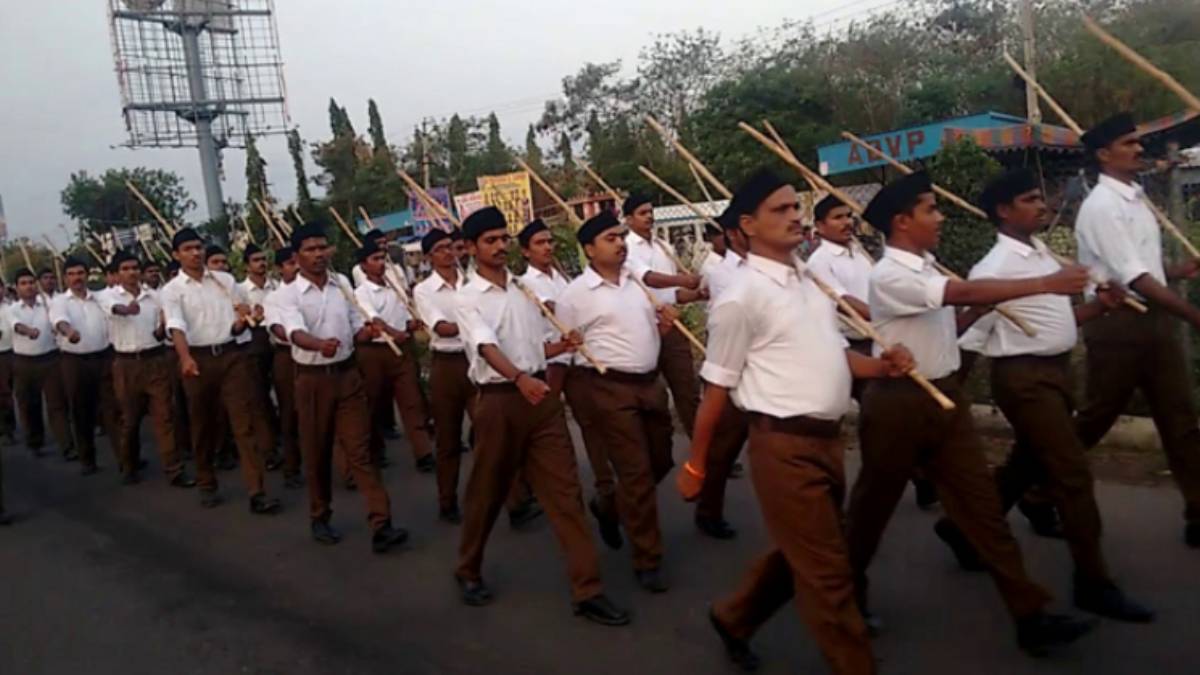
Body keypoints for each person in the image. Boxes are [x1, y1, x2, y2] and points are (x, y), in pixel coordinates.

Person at [843, 170, 1096, 655]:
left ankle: (1030, 616)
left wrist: (978, 313)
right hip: (897, 404)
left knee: (983, 509)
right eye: (930, 209)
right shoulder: (889, 274)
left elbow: (950, 324)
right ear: (901, 222)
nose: (940, 217)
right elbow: (960, 294)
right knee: (870, 511)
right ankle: (845, 591)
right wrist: (1045, 283)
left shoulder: (927, 266)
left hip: (944, 397)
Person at [680, 168, 916, 674]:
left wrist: (881, 367)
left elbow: (833, 352)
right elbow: (716, 389)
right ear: (747, 224)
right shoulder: (740, 297)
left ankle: (735, 617)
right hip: (782, 447)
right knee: (829, 574)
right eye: (780, 209)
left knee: (805, 549)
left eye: (795, 207)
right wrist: (697, 465)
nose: (795, 216)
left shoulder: (807, 280)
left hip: (827, 441)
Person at [931, 168, 1155, 623]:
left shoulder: (1042, 256)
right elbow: (969, 337)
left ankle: (960, 529)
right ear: (1003, 211)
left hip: (1054, 373)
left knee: (1025, 465)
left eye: (1040, 198)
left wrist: (1099, 306)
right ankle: (1093, 583)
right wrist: (948, 394)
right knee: (1072, 475)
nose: (1042, 205)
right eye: (1030, 199)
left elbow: (1059, 320)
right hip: (1023, 380)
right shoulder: (993, 269)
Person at [452, 206, 627, 625]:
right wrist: (518, 379)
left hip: (541, 399)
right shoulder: (467, 297)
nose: (500, 246)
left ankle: (588, 589)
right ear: (472, 248)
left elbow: (533, 346)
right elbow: (487, 347)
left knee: (565, 493)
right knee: (487, 491)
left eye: (503, 238)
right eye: (490, 241)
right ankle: (468, 567)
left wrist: (561, 346)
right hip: (500, 400)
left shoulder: (522, 290)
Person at [1072, 112, 1200, 548]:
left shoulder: (1135, 198)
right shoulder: (1101, 207)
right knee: (1094, 419)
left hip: (1153, 321)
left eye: (1137, 141)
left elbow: (1143, 265)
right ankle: (1034, 487)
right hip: (1118, 324)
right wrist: (1193, 315)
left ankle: (1199, 510)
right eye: (1128, 143)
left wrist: (1177, 271)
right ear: (1103, 155)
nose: (1139, 149)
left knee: (1180, 418)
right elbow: (1135, 279)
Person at [557, 210, 680, 591]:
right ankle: (648, 557)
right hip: (608, 388)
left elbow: (651, 327)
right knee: (635, 472)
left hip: (650, 383)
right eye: (610, 238)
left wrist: (663, 327)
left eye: (622, 237)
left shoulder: (637, 283)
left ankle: (610, 506)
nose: (621, 244)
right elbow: (565, 348)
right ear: (589, 249)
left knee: (662, 460)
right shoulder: (575, 295)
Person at [274, 222, 408, 552]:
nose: (319, 254)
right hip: (312, 378)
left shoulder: (342, 285)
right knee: (317, 451)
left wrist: (369, 332)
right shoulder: (285, 295)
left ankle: (381, 523)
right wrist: (319, 345)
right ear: (297, 256)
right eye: (310, 249)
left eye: (323, 247)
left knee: (361, 449)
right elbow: (293, 332)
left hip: (347, 375)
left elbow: (355, 327)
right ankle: (320, 515)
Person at [808, 194, 939, 511]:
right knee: (871, 415)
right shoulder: (819, 262)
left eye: (848, 215)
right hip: (843, 346)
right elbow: (844, 302)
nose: (846, 222)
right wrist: (885, 314)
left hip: (872, 340)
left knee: (885, 415)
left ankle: (912, 476)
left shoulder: (860, 253)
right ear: (820, 226)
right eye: (837, 217)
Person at [161, 228, 280, 513]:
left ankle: (257, 491)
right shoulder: (172, 290)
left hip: (231, 355)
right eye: (188, 249)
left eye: (198, 247)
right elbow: (175, 326)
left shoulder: (224, 281)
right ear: (176, 255)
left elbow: (238, 323)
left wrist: (249, 317)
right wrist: (185, 358)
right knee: (203, 425)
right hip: (198, 359)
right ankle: (206, 482)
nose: (195, 253)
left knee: (244, 423)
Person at [101, 250, 195, 488]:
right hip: (126, 363)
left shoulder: (155, 297)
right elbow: (116, 309)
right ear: (117, 274)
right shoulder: (108, 296)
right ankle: (129, 464)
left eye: (135, 268)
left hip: (155, 359)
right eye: (125, 269)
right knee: (130, 419)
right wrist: (128, 309)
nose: (131, 273)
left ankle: (174, 469)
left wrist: (163, 325)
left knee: (165, 416)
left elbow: (160, 332)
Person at [691, 206, 752, 540]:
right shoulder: (720, 273)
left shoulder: (770, 266)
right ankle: (708, 510)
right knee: (726, 444)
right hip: (732, 362)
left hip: (766, 367)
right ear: (733, 234)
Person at [622, 193, 706, 436]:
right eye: (642, 213)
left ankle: (703, 448)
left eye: (651, 212)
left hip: (671, 325)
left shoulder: (663, 246)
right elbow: (649, 279)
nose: (649, 216)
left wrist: (698, 294)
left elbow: (671, 294)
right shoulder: (625, 248)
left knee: (687, 390)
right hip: (642, 328)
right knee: (649, 394)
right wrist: (684, 279)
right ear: (628, 219)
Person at [353, 240, 435, 472]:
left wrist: (411, 325)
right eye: (375, 259)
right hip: (375, 352)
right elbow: (374, 321)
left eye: (383, 259)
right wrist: (394, 332)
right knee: (373, 403)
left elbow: (403, 318)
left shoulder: (394, 287)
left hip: (402, 351)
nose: (381, 264)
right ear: (363, 266)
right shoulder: (361, 293)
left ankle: (423, 452)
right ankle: (375, 450)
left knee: (412, 401)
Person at [414, 229, 474, 523]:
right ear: (429, 257)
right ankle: (447, 500)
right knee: (448, 438)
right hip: (447, 364)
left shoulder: (472, 282)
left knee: (491, 431)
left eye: (451, 246)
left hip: (476, 358)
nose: (449, 253)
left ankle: (514, 499)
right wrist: (476, 322)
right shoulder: (424, 290)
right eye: (440, 249)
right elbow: (443, 329)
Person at [49, 257, 121, 476]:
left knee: (112, 410)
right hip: (75, 361)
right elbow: (60, 321)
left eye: (80, 273)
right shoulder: (60, 301)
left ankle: (126, 459)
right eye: (71, 274)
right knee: (82, 411)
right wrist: (69, 332)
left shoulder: (99, 298)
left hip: (104, 357)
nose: (76, 278)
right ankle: (87, 459)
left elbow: (114, 310)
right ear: (65, 278)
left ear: (87, 275)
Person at [8, 268, 73, 460]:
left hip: (50, 359)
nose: (28, 286)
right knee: (29, 405)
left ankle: (67, 446)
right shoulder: (11, 309)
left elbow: (59, 322)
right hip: (24, 361)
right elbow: (16, 326)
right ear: (17, 288)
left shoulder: (48, 305)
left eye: (31, 282)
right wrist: (29, 331)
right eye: (23, 283)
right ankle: (34, 441)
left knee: (57, 404)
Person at [262, 246, 303, 490]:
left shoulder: (313, 290)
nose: (296, 268)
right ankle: (292, 467)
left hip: (318, 355)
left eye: (297, 262)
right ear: (279, 269)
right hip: (288, 356)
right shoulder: (274, 297)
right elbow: (278, 329)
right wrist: (306, 339)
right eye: (289, 263)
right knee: (290, 413)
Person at [238, 243, 281, 471]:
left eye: (263, 259)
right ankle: (268, 448)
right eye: (256, 260)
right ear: (247, 266)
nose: (261, 264)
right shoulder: (240, 291)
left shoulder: (276, 286)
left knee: (284, 392)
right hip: (254, 342)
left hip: (278, 340)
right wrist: (252, 318)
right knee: (259, 397)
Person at [0, 296, 16, 447]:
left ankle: (8, 428)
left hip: (11, 353)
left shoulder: (11, 307)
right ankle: (6, 429)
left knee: (7, 392)